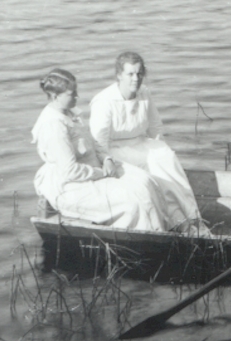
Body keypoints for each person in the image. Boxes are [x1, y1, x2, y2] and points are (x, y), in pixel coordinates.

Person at [31, 68, 167, 231]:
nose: (77, 96)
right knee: (134, 201)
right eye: (72, 94)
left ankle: (161, 228)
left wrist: (107, 159)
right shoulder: (53, 125)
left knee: (145, 180)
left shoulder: (70, 113)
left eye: (76, 91)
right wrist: (102, 173)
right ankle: (140, 236)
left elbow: (92, 142)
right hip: (72, 185)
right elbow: (70, 171)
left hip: (93, 169)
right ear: (55, 96)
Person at [88, 52, 205, 233]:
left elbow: (155, 127)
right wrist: (106, 159)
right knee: (153, 179)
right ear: (119, 75)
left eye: (139, 73)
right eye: (130, 74)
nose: (136, 79)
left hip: (141, 144)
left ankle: (191, 217)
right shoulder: (104, 101)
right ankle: (177, 222)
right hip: (115, 150)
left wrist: (160, 151)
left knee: (166, 159)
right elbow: (99, 141)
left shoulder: (144, 93)